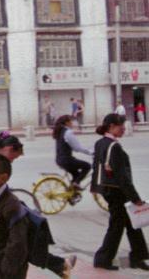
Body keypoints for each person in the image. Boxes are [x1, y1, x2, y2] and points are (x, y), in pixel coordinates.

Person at [0, 132, 76, 278]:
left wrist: (3, 273)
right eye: (15, 155)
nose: (14, 160)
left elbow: (17, 247)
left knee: (24, 242)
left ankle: (61, 265)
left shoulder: (10, 206)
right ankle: (61, 265)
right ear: (8, 148)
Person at [91, 113, 149, 271]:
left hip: (109, 190)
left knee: (132, 224)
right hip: (118, 192)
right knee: (117, 226)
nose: (124, 128)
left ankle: (138, 257)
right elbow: (122, 176)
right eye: (120, 125)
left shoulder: (100, 143)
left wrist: (96, 189)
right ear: (111, 126)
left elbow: (96, 168)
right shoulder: (113, 146)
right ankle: (103, 259)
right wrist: (135, 198)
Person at [52, 115, 93, 192]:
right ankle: (75, 184)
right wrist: (91, 152)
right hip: (67, 160)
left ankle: (71, 193)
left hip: (60, 160)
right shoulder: (68, 132)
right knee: (87, 166)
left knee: (77, 175)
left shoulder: (60, 131)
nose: (72, 123)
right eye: (71, 121)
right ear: (67, 123)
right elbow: (77, 148)